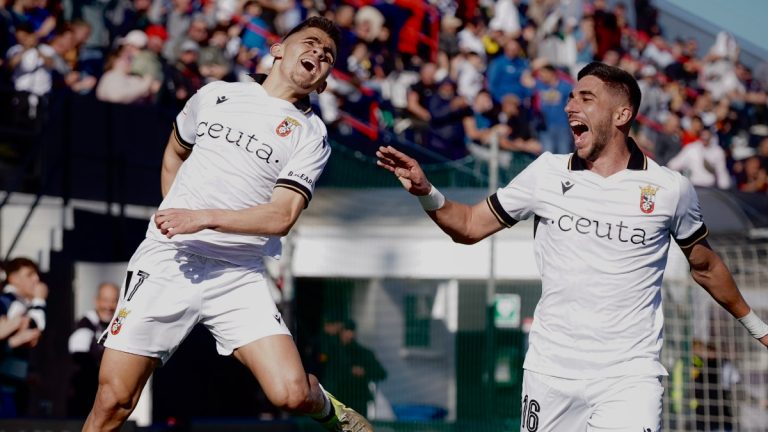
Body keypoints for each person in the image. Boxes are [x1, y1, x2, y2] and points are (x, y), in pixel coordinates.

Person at [377, 62, 768, 431]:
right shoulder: (545, 173)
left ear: (621, 115)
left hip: (629, 375)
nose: (569, 106)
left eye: (585, 97)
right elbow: (467, 226)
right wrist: (427, 191)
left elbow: (704, 266)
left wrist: (758, 328)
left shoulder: (670, 189)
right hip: (551, 373)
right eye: (570, 97)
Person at [83, 17, 372, 432]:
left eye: (328, 56)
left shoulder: (311, 135)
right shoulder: (215, 95)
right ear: (276, 49)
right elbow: (174, 153)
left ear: (324, 80)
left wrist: (202, 218)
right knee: (113, 402)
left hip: (237, 274)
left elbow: (281, 216)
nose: (319, 55)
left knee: (290, 394)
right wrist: (175, 213)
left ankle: (333, 411)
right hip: (169, 259)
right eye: (310, 43)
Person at [0, 257, 46, 417]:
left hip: (15, 385)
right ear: (13, 278)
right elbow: (36, 327)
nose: (36, 279)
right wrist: (40, 300)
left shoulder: (21, 303)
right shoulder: (9, 302)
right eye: (29, 274)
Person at [67, 282, 119, 417]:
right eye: (105, 300)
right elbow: (78, 353)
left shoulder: (117, 324)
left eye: (114, 301)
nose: (109, 306)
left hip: (108, 395)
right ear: (96, 301)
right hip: (83, 394)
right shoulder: (86, 323)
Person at [324, 320, 387, 416]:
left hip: (358, 402)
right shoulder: (332, 352)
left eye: (351, 331)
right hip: (337, 401)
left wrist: (364, 371)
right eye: (346, 331)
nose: (349, 335)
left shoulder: (363, 353)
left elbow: (381, 373)